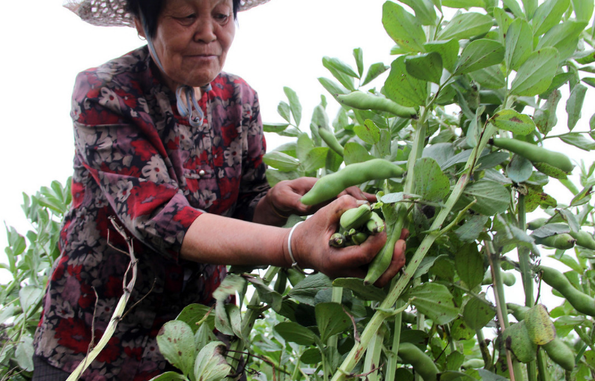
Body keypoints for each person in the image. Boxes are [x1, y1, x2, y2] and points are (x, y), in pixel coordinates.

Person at [32, 0, 408, 379]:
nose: (209, 33)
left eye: (221, 14)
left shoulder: (238, 99)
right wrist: (294, 245)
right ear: (141, 24)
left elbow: (244, 210)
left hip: (203, 347)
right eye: (185, 15)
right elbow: (162, 218)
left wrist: (274, 205)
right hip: (98, 348)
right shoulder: (106, 92)